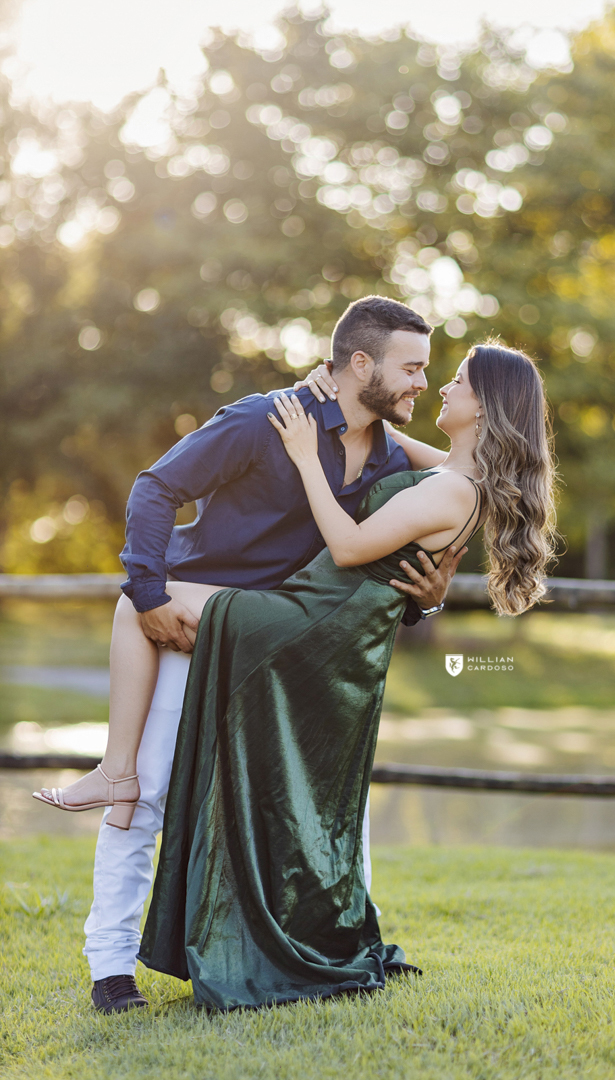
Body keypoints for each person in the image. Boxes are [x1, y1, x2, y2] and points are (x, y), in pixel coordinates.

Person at [32, 296, 463, 1013]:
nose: (422, 381)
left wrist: (430, 593)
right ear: (360, 364)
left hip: (283, 654)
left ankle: (344, 947)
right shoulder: (263, 420)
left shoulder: (388, 453)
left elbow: (457, 483)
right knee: (146, 790)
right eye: (411, 367)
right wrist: (148, 598)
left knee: (326, 807)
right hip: (195, 632)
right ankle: (110, 968)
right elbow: (156, 486)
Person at [136, 341, 559, 1011]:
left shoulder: (454, 488)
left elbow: (350, 546)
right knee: (151, 604)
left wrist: (306, 458)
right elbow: (380, 433)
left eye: (456, 382)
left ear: (485, 406)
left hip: (309, 620)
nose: (441, 388)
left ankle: (112, 769)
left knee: (137, 601)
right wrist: (337, 390)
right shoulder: (452, 470)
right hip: (327, 621)